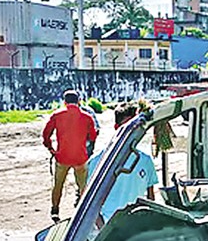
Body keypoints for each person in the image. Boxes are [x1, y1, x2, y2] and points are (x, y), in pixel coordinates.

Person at [87, 101, 159, 227]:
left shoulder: (146, 161)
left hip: (137, 227)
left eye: (135, 127)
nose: (132, 132)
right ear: (116, 127)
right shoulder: (97, 162)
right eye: (127, 127)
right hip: (109, 226)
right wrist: (102, 228)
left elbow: (150, 198)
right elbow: (90, 202)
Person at [42, 90, 98, 221]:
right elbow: (92, 136)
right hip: (80, 157)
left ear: (64, 102)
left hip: (62, 157)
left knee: (58, 184)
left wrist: (51, 148)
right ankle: (82, 211)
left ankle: (55, 210)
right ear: (79, 101)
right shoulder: (87, 117)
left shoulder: (57, 115)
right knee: (83, 186)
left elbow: (46, 135)